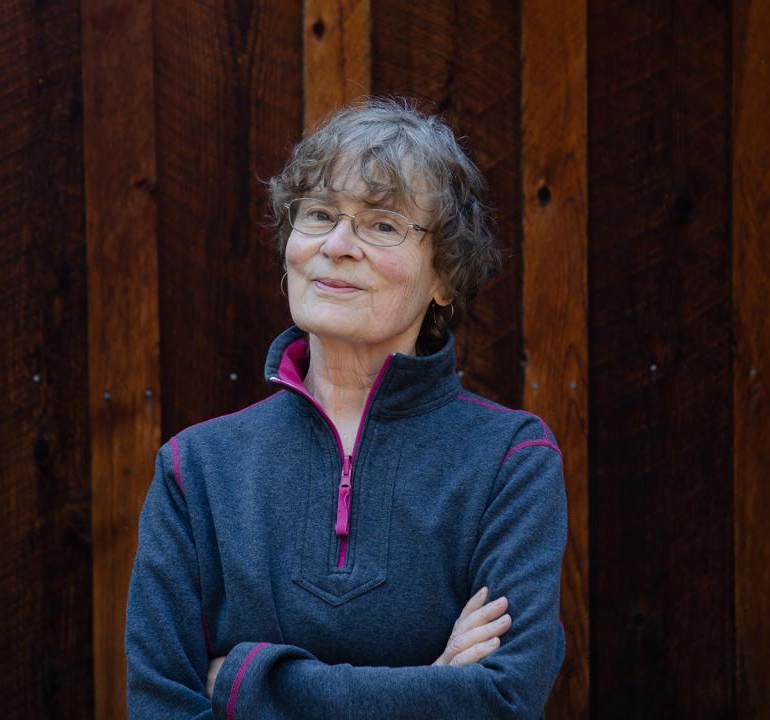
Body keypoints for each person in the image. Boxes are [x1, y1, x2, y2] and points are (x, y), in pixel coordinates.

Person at [125, 98, 567, 719]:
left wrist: (247, 685)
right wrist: (431, 686)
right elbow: (161, 706)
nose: (337, 245)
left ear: (445, 276)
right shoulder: (195, 470)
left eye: (382, 225)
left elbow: (502, 700)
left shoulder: (511, 461)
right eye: (319, 214)